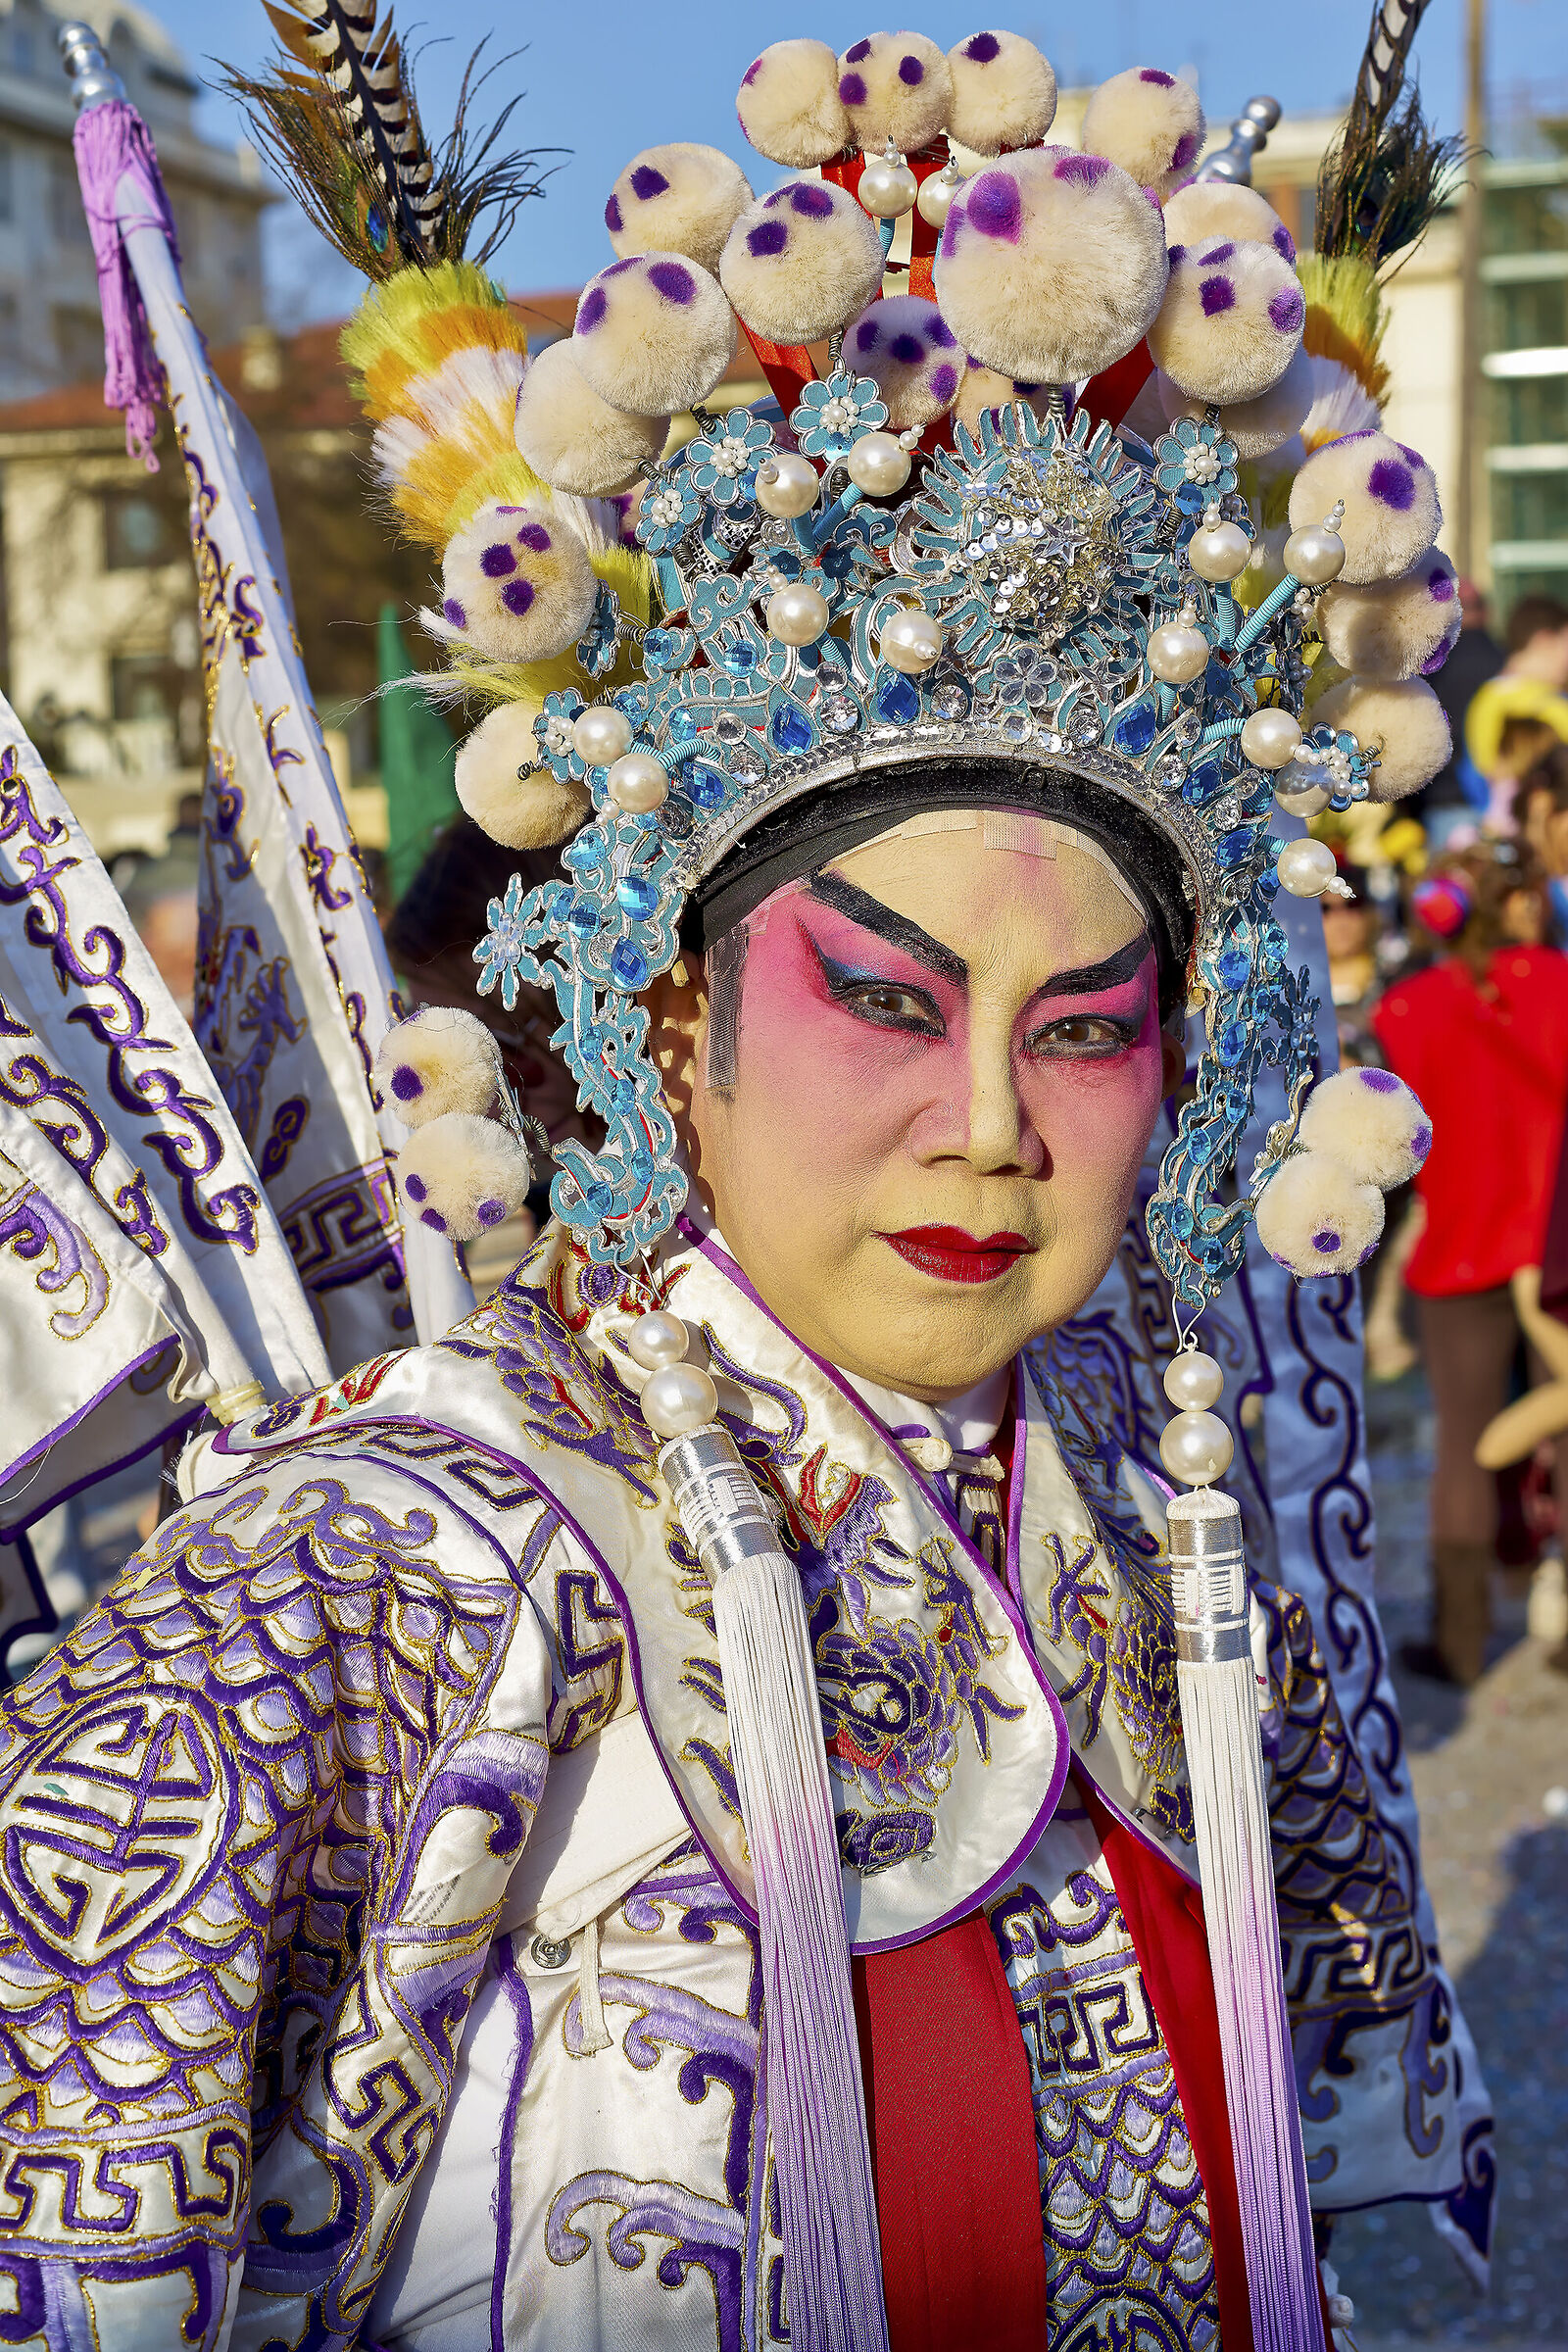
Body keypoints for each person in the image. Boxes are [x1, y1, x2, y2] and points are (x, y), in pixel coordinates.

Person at [0, 23, 1487, 2351]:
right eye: (881, 1001)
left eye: (1085, 1023)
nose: (990, 1119)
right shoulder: (386, 1555)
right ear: (671, 1033)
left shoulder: (1148, 1460)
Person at [1375, 840, 1568, 1681]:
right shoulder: (1560, 985)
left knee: (1461, 1445)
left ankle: (1458, 1644)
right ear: (1516, 901)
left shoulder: (1406, 1008)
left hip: (1460, 1250)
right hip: (1558, 1246)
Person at [1416, 575, 1503, 847]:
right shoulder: (1505, 661)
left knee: (1447, 887)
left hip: (1446, 800)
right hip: (1500, 804)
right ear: (1487, 611)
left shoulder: (1430, 668)